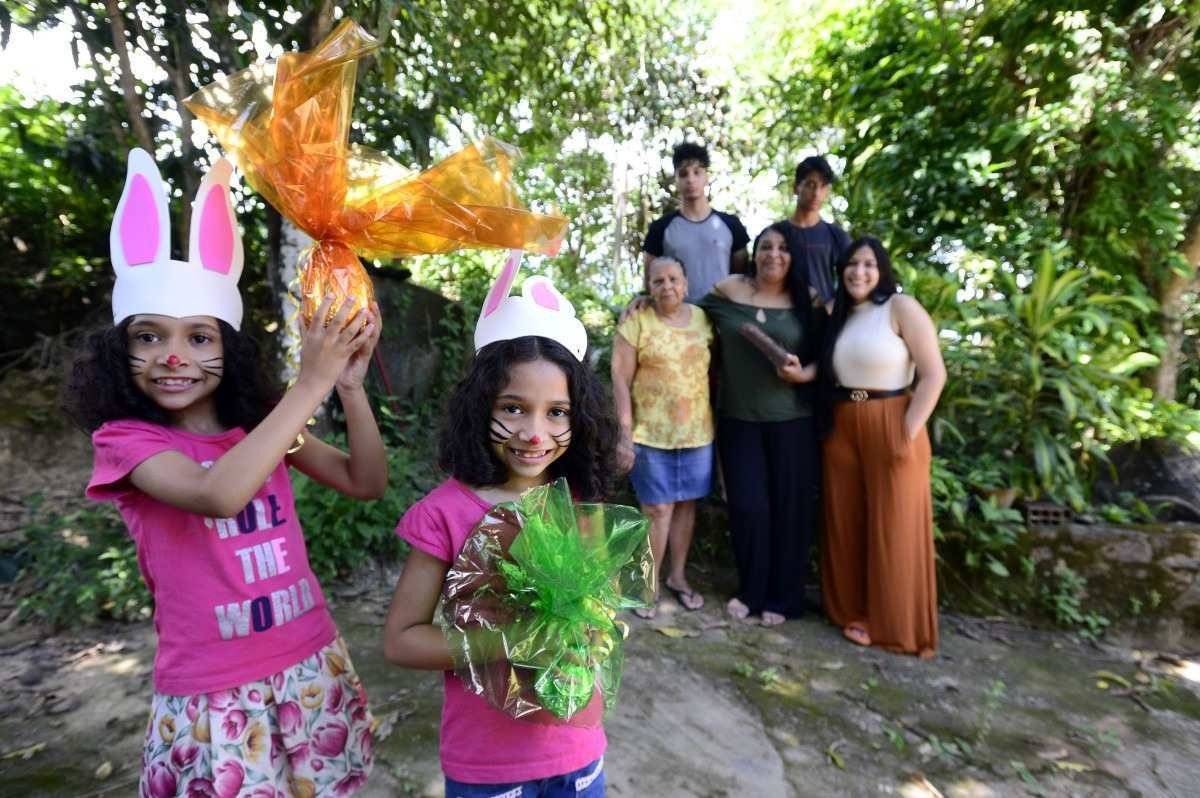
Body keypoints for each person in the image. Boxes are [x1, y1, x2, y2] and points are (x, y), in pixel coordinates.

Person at [68, 149, 383, 796]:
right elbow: (217, 493)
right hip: (215, 694)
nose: (173, 357)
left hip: (310, 660)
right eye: (148, 338)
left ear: (228, 347)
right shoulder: (126, 442)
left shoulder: (260, 425)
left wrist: (348, 388)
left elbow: (363, 482)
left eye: (199, 338)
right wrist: (311, 382)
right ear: (119, 350)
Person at [383, 254, 617, 796]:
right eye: (513, 407)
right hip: (488, 768)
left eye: (557, 412)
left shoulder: (579, 500)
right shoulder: (444, 512)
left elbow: (601, 609)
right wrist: (512, 639)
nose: (535, 433)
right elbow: (401, 641)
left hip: (580, 756)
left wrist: (594, 630)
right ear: (479, 406)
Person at [819, 236, 945, 658]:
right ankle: (852, 611)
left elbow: (933, 375)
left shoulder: (900, 307)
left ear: (882, 269)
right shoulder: (839, 315)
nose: (858, 271)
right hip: (844, 423)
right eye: (851, 264)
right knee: (847, 522)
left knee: (894, 527)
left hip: (893, 419)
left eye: (868, 264)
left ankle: (893, 625)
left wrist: (906, 432)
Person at [697, 224, 821, 626]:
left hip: (794, 423)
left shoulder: (810, 300)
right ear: (754, 253)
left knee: (790, 509)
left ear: (794, 256)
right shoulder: (729, 291)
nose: (773, 254)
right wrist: (643, 303)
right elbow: (681, 313)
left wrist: (805, 374)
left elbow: (831, 353)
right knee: (749, 509)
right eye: (765, 246)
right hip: (739, 421)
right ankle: (750, 591)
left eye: (783, 248)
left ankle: (783, 598)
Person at [611, 256, 714, 617]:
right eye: (658, 281)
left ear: (685, 284)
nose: (667, 286)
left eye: (673, 279)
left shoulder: (703, 318)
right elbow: (620, 379)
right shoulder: (636, 321)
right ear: (649, 287)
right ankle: (648, 586)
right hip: (649, 434)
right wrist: (624, 434)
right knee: (657, 509)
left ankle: (679, 577)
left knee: (686, 504)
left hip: (698, 433)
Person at [641, 142, 750, 301]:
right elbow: (650, 281)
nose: (690, 179)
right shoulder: (660, 228)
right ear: (676, 179)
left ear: (707, 177)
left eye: (697, 172)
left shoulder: (731, 225)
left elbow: (742, 279)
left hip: (722, 316)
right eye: (683, 174)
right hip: (677, 319)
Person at [777, 155, 852, 306]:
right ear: (796, 188)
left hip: (824, 322)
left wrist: (832, 307)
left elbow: (854, 281)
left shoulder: (837, 237)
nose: (817, 193)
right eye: (811, 184)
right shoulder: (775, 235)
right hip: (781, 320)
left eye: (823, 186)